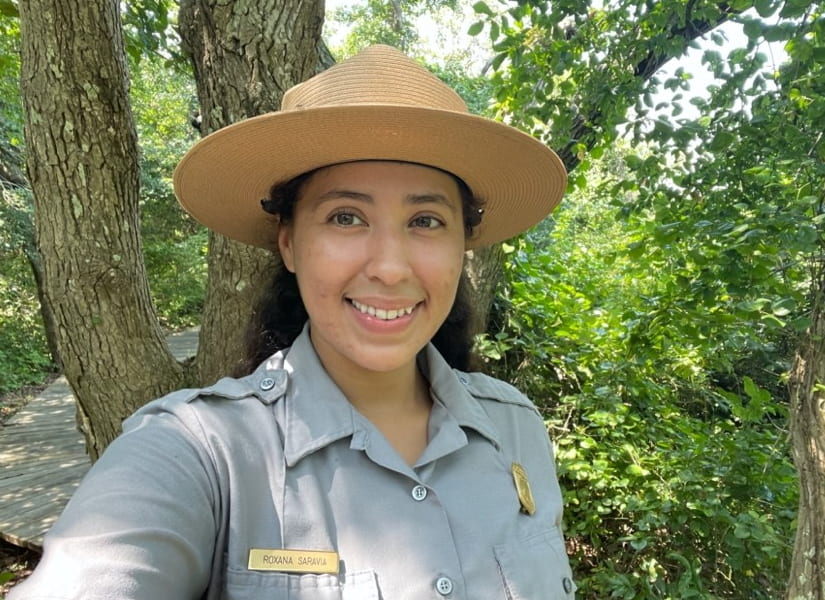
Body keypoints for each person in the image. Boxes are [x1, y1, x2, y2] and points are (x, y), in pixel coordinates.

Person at [9, 44, 576, 599]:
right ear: (289, 243)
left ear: (462, 249)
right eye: (346, 216)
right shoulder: (201, 453)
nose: (389, 267)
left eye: (426, 220)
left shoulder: (515, 426)